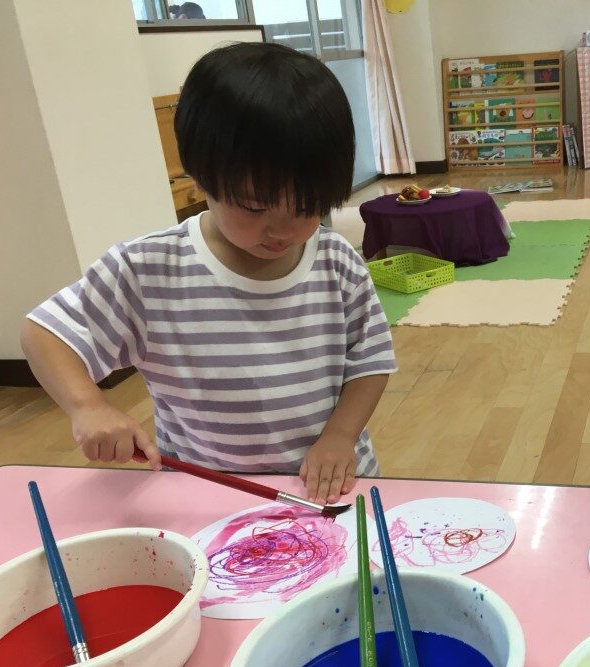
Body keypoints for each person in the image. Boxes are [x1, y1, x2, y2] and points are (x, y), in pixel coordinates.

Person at [22, 43, 396, 505]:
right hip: (208, 496)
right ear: (200, 177)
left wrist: (340, 436)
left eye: (307, 208)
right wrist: (87, 406)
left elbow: (370, 362)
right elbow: (43, 333)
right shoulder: (147, 269)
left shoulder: (337, 261)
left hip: (329, 488)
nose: (282, 230)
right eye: (255, 207)